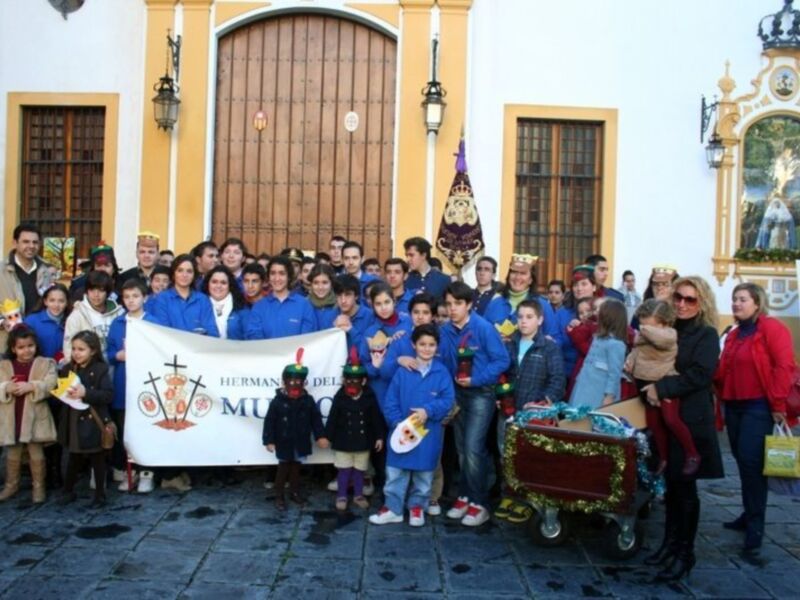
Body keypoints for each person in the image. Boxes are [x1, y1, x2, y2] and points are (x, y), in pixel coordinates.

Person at [642, 276, 723, 581]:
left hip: (690, 419)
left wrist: (661, 388)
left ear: (701, 303)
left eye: (690, 299)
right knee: (672, 489)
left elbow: (700, 375)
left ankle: (684, 554)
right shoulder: (669, 329)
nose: (682, 304)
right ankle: (668, 545)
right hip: (665, 418)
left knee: (686, 491)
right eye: (678, 297)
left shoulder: (706, 334)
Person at [714, 282, 795, 564]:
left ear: (757, 303)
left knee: (751, 463)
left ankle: (755, 528)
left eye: (743, 299)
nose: (736, 304)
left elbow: (784, 366)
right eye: (734, 299)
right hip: (734, 405)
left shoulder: (772, 329)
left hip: (758, 406)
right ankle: (749, 514)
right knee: (742, 460)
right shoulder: (735, 333)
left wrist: (778, 404)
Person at [439, 282, 510, 527]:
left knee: (473, 448)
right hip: (457, 395)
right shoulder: (445, 330)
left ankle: (480, 504)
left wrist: (477, 379)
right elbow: (443, 361)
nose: (452, 309)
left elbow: (501, 360)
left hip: (481, 393)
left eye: (457, 304)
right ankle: (465, 496)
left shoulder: (483, 327)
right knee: (461, 448)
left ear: (469, 305)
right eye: (448, 304)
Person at [369, 324, 455, 526]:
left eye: (431, 345)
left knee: (424, 476)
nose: (426, 348)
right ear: (413, 345)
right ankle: (393, 508)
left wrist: (428, 411)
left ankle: (417, 507)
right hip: (400, 432)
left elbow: (447, 399)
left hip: (428, 433)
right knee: (395, 476)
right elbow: (390, 401)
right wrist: (398, 424)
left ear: (437, 347)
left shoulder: (441, 373)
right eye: (422, 344)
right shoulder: (402, 372)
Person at [494, 300, 564, 522]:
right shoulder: (509, 343)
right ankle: (509, 494)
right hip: (508, 410)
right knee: (505, 453)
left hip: (533, 415)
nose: (523, 321)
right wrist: (499, 395)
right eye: (520, 316)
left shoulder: (548, 347)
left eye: (529, 317)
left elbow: (557, 380)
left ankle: (527, 499)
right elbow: (501, 373)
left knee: (529, 456)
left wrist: (543, 402)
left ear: (540, 320)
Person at [626, 299, 700, 476]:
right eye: (642, 320)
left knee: (671, 420)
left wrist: (643, 329)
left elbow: (659, 339)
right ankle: (664, 458)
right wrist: (630, 361)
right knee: (654, 424)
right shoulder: (645, 335)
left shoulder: (668, 334)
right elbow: (637, 350)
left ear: (663, 321)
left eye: (647, 321)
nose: (643, 324)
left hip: (664, 384)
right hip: (644, 384)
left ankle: (692, 453)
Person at [262, 350, 329, 510]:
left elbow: (316, 419)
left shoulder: (308, 400)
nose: (295, 385)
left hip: (300, 441)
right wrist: (269, 440)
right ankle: (279, 496)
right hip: (284, 441)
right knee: (283, 469)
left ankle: (294, 492)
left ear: (304, 383)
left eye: (299, 382)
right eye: (291, 382)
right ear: (284, 382)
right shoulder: (277, 401)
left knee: (296, 469)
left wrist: (320, 436)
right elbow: (269, 421)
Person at [0, 325, 57, 503]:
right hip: (12, 415)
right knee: (12, 452)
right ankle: (11, 484)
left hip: (34, 417)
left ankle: (38, 486)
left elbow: (51, 383)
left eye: (30, 346)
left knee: (36, 452)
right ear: (13, 348)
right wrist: (5, 387)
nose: (26, 351)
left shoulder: (44, 363)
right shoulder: (4, 366)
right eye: (21, 347)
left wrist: (32, 386)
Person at [107, 279, 154, 493]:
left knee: (146, 427)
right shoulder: (117, 323)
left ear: (145, 297)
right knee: (126, 429)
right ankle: (129, 472)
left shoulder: (153, 322)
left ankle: (147, 472)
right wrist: (120, 355)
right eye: (126, 297)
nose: (131, 300)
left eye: (135, 296)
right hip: (123, 381)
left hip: (147, 382)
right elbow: (108, 352)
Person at [58, 330, 114, 507]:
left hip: (93, 420)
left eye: (81, 349)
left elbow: (107, 395)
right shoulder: (68, 369)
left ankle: (100, 494)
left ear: (93, 351)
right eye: (74, 348)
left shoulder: (100, 370)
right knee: (73, 456)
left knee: (97, 459)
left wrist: (86, 393)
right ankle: (68, 490)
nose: (76, 353)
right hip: (73, 419)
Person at [325, 349, 385, 511]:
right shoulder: (340, 397)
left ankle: (358, 495)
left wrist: (379, 437)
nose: (352, 384)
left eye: (356, 381)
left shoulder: (369, 396)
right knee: (343, 471)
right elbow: (332, 418)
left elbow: (376, 418)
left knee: (360, 471)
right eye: (349, 381)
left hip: (363, 442)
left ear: (364, 381)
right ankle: (342, 495)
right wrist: (326, 437)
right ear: (344, 381)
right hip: (343, 442)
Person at [569, 299, 627, 409]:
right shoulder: (598, 338)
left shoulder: (616, 344)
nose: (596, 313)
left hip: (599, 395)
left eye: (601, 311)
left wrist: (609, 396)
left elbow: (614, 374)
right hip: (583, 389)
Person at [484, 254, 557, 341]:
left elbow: (556, 338)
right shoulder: (495, 303)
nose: (517, 277)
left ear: (531, 280)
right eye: (514, 272)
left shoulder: (542, 305)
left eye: (523, 273)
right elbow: (482, 333)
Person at [147, 254, 219, 337]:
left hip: (199, 347)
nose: (184, 275)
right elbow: (162, 331)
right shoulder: (162, 299)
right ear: (174, 274)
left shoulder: (203, 299)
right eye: (180, 270)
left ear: (194, 275)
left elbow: (212, 332)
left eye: (189, 271)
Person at [246, 257, 315, 339]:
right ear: (268, 277)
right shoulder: (259, 306)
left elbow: (309, 339)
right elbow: (254, 336)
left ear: (289, 276)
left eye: (282, 273)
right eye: (273, 273)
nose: (277, 278)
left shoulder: (304, 304)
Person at [554, 265, 600, 383]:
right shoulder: (562, 313)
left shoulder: (603, 310)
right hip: (566, 372)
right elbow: (557, 339)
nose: (579, 288)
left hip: (596, 372)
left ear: (594, 287)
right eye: (575, 285)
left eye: (584, 284)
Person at [63, 270, 124, 358]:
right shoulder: (77, 315)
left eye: (101, 290)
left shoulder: (119, 313)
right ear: (87, 291)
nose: (96, 295)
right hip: (88, 368)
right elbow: (68, 349)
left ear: (108, 292)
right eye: (92, 290)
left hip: (114, 366)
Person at [0, 223, 51, 316]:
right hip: (11, 329)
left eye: (35, 242)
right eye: (26, 242)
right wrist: (2, 321)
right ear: (15, 243)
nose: (31, 246)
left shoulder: (47, 270)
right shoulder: (2, 271)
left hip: (39, 329)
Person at [24, 283, 69, 362]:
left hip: (62, 368)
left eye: (61, 301)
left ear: (67, 302)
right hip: (37, 367)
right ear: (45, 301)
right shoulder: (32, 321)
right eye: (52, 300)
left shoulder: (71, 321)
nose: (56, 305)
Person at [201, 265, 248, 340]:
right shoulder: (198, 305)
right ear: (208, 284)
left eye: (223, 283)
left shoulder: (241, 308)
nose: (218, 286)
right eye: (214, 282)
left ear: (230, 285)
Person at [330, 275, 375, 349]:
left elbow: (369, 350)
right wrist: (333, 330)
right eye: (339, 295)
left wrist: (351, 330)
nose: (343, 300)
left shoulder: (370, 316)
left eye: (347, 295)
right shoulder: (331, 316)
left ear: (356, 295)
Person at [307, 264, 338, 329]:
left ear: (331, 283)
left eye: (325, 282)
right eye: (316, 283)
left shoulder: (340, 305)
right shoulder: (304, 305)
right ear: (311, 284)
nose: (320, 287)